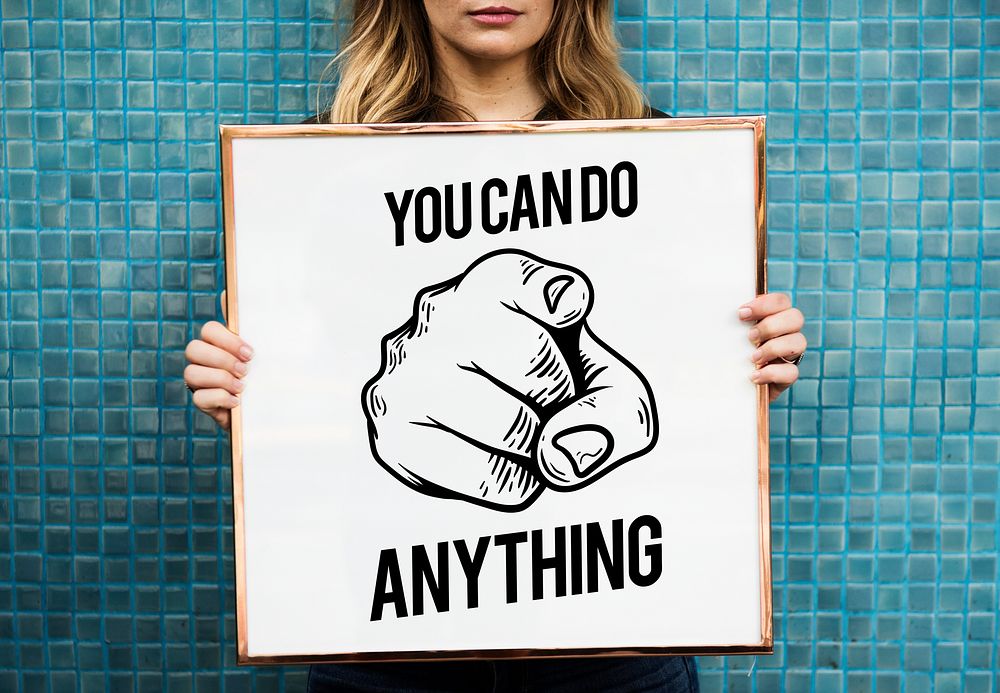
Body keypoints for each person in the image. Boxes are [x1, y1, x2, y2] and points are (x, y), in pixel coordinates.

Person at [184, 2, 806, 691]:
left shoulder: (672, 165)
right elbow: (316, 403)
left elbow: (685, 396)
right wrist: (250, 399)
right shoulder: (311, 173)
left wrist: (743, 370)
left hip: (614, 648)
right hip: (384, 642)